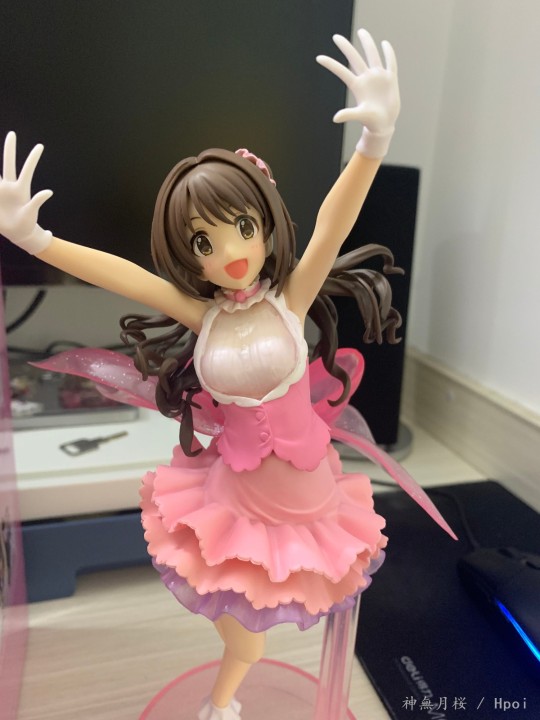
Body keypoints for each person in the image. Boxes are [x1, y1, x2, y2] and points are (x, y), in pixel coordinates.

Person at [0, 29, 453, 720]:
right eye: (202, 242)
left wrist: (374, 142)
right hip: (235, 496)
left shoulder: (290, 299)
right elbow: (127, 278)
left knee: (295, 608)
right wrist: (37, 241)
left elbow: (332, 224)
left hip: (305, 496)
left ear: (265, 223)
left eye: (242, 225)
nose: (230, 252)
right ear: (189, 256)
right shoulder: (202, 314)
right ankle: (227, 693)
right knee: (241, 629)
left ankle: (237, 689)